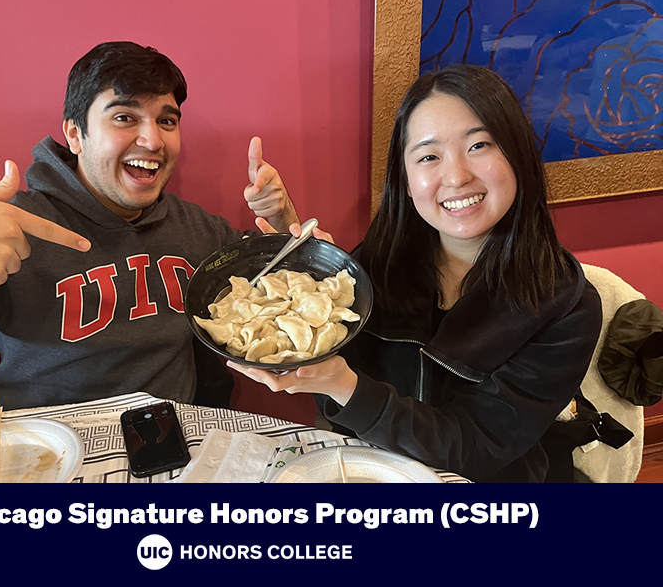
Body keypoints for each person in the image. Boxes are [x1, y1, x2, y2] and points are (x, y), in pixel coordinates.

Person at [0, 42, 299, 411]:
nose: (153, 139)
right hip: (40, 446)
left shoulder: (198, 230)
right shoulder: (7, 230)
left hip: (167, 441)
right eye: (124, 117)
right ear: (75, 133)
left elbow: (287, 287)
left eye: (167, 119)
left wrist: (282, 219)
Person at [231, 64, 602, 483]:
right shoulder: (379, 263)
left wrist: (345, 387)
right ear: (406, 181)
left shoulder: (565, 306)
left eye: (479, 145)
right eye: (428, 156)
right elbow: (332, 359)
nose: (457, 176)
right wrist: (303, 262)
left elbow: (477, 446)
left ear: (517, 156)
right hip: (370, 471)